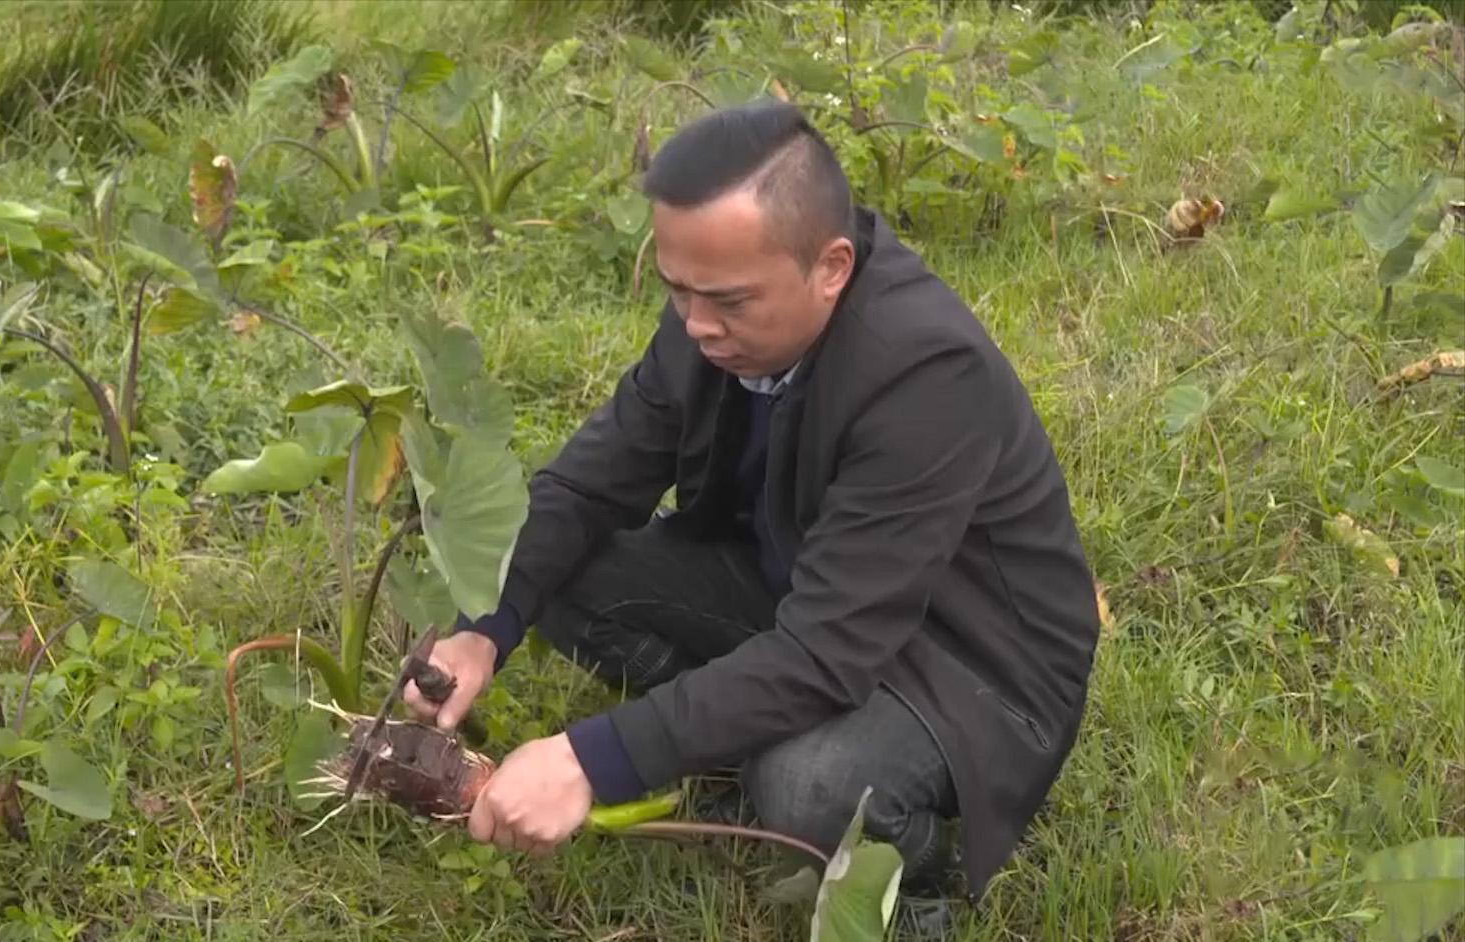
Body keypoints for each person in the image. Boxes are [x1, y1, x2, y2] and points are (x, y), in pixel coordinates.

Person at [402, 99, 1102, 932]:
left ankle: (907, 886)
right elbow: (586, 488)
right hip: (806, 585)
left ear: (832, 266)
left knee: (810, 786)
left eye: (728, 300)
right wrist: (484, 626)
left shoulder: (926, 376)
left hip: (963, 660)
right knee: (563, 570)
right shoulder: (707, 319)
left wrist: (592, 760)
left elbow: (827, 651)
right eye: (677, 289)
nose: (697, 325)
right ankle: (740, 740)